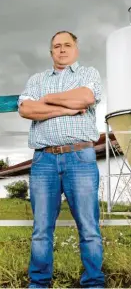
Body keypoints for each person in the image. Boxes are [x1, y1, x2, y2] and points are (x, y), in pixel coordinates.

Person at [18, 31, 104, 288]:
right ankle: (39, 283)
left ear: (75, 49)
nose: (62, 50)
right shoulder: (37, 79)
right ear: (51, 52)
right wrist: (66, 107)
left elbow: (86, 98)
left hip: (80, 156)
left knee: (89, 228)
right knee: (41, 230)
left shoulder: (89, 74)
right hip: (44, 160)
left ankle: (93, 283)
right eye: (57, 46)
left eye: (67, 45)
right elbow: (25, 109)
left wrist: (46, 100)